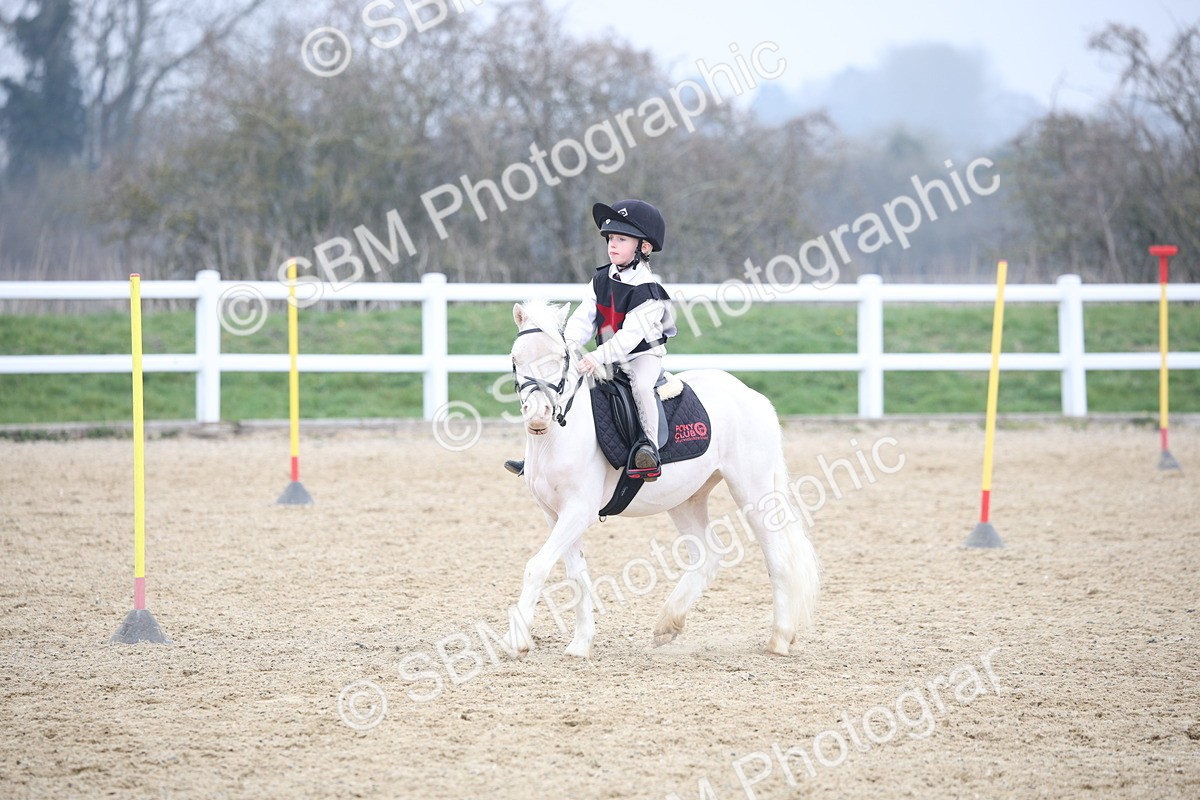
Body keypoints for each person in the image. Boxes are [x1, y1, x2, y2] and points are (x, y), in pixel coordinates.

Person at [506, 198, 677, 481]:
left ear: (643, 248)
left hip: (641, 356)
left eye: (622, 239)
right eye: (610, 238)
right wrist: (568, 345)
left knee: (642, 387)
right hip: (605, 354)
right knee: (560, 383)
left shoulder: (649, 292)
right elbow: (584, 318)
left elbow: (630, 337)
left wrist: (596, 357)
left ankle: (649, 449)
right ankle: (534, 455)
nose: (612, 244)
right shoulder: (600, 278)